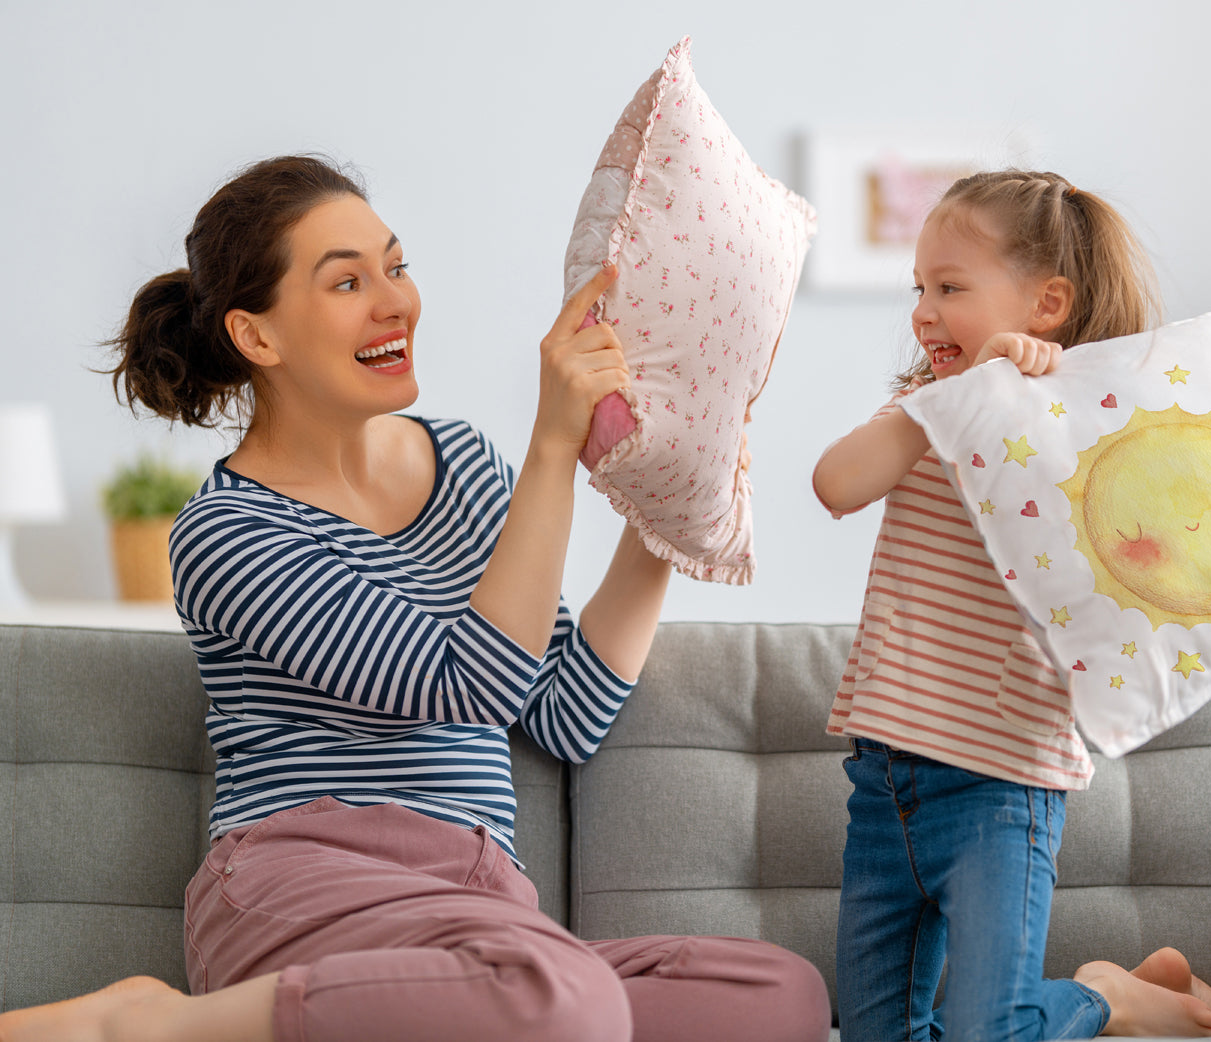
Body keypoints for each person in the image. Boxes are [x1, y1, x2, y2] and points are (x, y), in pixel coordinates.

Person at [0, 155, 829, 1042]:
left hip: (479, 899)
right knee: (562, 999)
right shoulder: (225, 533)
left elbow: (565, 714)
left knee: (775, 993)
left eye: (395, 267)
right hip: (307, 881)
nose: (395, 301)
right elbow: (470, 686)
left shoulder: (462, 464)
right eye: (347, 282)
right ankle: (146, 1026)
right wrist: (553, 447)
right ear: (257, 336)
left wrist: (667, 502)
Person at [812, 169, 1211, 1041]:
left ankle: (1108, 996)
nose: (923, 312)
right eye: (918, 289)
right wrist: (961, 398)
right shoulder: (927, 411)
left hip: (1000, 792)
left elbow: (1156, 602)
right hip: (883, 786)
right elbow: (834, 484)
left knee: (987, 1032)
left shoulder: (1097, 439)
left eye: (949, 288)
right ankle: (1116, 990)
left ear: (1047, 304)